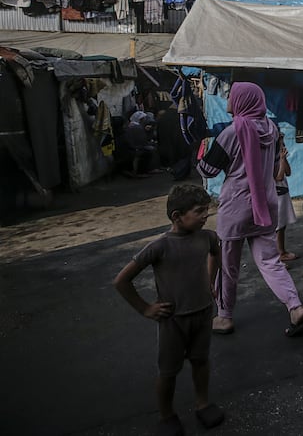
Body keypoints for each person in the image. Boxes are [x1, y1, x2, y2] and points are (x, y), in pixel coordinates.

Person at [196, 82, 303, 337]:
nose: (228, 99)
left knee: (228, 266)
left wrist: (206, 151)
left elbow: (207, 170)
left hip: (236, 207)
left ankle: (225, 316)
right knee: (271, 261)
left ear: (242, 101)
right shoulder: (271, 130)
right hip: (266, 204)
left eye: (232, 95)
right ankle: (295, 308)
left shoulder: (231, 133)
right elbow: (273, 169)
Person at [113, 184, 225, 434]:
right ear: (177, 216)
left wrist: (209, 279)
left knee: (201, 361)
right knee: (168, 371)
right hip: (173, 320)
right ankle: (166, 415)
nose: (206, 215)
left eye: (206, 210)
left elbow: (216, 254)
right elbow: (121, 280)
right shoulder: (160, 246)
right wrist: (145, 309)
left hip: (203, 313)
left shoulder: (207, 237)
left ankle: (202, 403)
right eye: (199, 211)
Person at [273, 128, 298, 263]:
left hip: (283, 194)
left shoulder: (278, 156)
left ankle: (281, 251)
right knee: (277, 226)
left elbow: (288, 172)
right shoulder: (270, 158)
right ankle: (277, 255)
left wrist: (284, 159)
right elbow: (279, 176)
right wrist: (282, 160)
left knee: (282, 225)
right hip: (276, 195)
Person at [117, 110, 160, 178]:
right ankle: (144, 171)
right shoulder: (137, 127)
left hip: (130, 147)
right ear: (141, 119)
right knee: (150, 150)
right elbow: (143, 141)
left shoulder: (131, 126)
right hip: (134, 148)